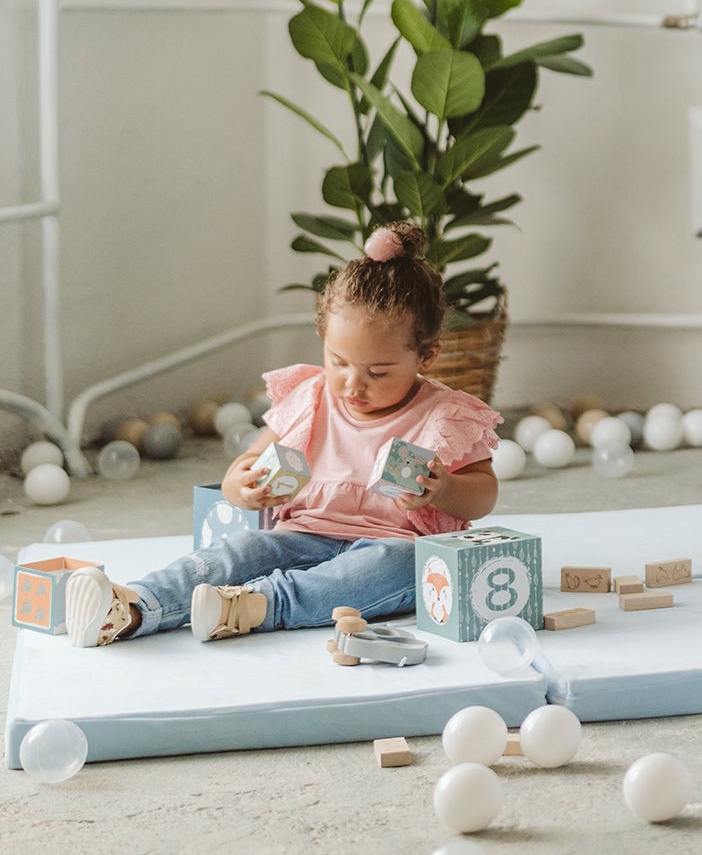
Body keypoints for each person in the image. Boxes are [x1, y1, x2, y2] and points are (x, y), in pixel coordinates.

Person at [64, 222, 501, 647]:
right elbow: (245, 466)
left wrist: (443, 489)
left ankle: (251, 608)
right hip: (299, 534)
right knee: (236, 553)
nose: (353, 384)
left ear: (427, 356)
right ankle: (132, 606)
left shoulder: (445, 415)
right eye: (338, 362)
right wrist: (244, 488)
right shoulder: (309, 399)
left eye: (378, 371)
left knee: (405, 567)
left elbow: (483, 495)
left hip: (391, 542)